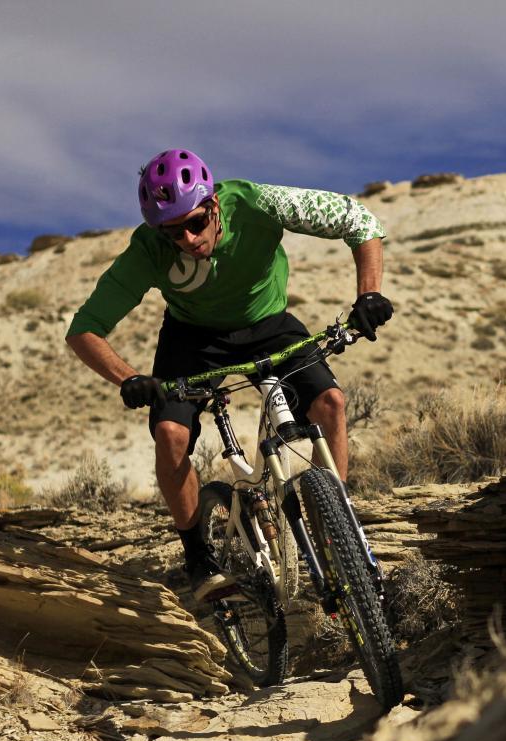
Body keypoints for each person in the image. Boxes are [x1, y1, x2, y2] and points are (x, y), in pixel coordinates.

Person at [65, 149, 393, 601]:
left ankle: (335, 533)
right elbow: (84, 330)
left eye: (195, 223)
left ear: (214, 204)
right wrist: (128, 377)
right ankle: (198, 557)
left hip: (269, 325)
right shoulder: (148, 249)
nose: (187, 239)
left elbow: (359, 221)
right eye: (172, 231)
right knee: (170, 434)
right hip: (193, 341)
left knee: (331, 404)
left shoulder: (258, 203)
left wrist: (369, 295)